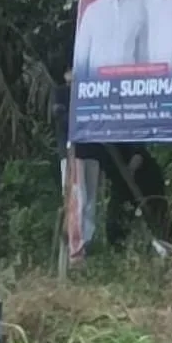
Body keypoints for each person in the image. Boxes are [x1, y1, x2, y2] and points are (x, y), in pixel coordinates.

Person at [51, 67, 104, 254]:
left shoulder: (93, 92)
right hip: (72, 153)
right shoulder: (61, 93)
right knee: (76, 197)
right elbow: (60, 117)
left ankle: (86, 243)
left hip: (92, 151)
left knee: (90, 199)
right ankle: (74, 243)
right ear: (66, 74)